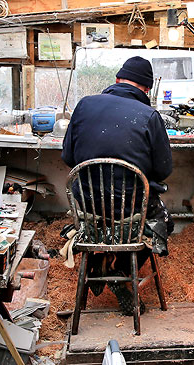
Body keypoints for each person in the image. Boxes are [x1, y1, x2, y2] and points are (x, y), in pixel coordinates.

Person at [62, 56, 173, 312]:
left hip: (87, 207)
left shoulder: (84, 105)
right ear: (146, 89)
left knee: (105, 217)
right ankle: (119, 268)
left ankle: (103, 264)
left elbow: (68, 158)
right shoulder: (149, 115)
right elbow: (164, 170)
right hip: (129, 209)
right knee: (165, 222)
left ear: (116, 80)